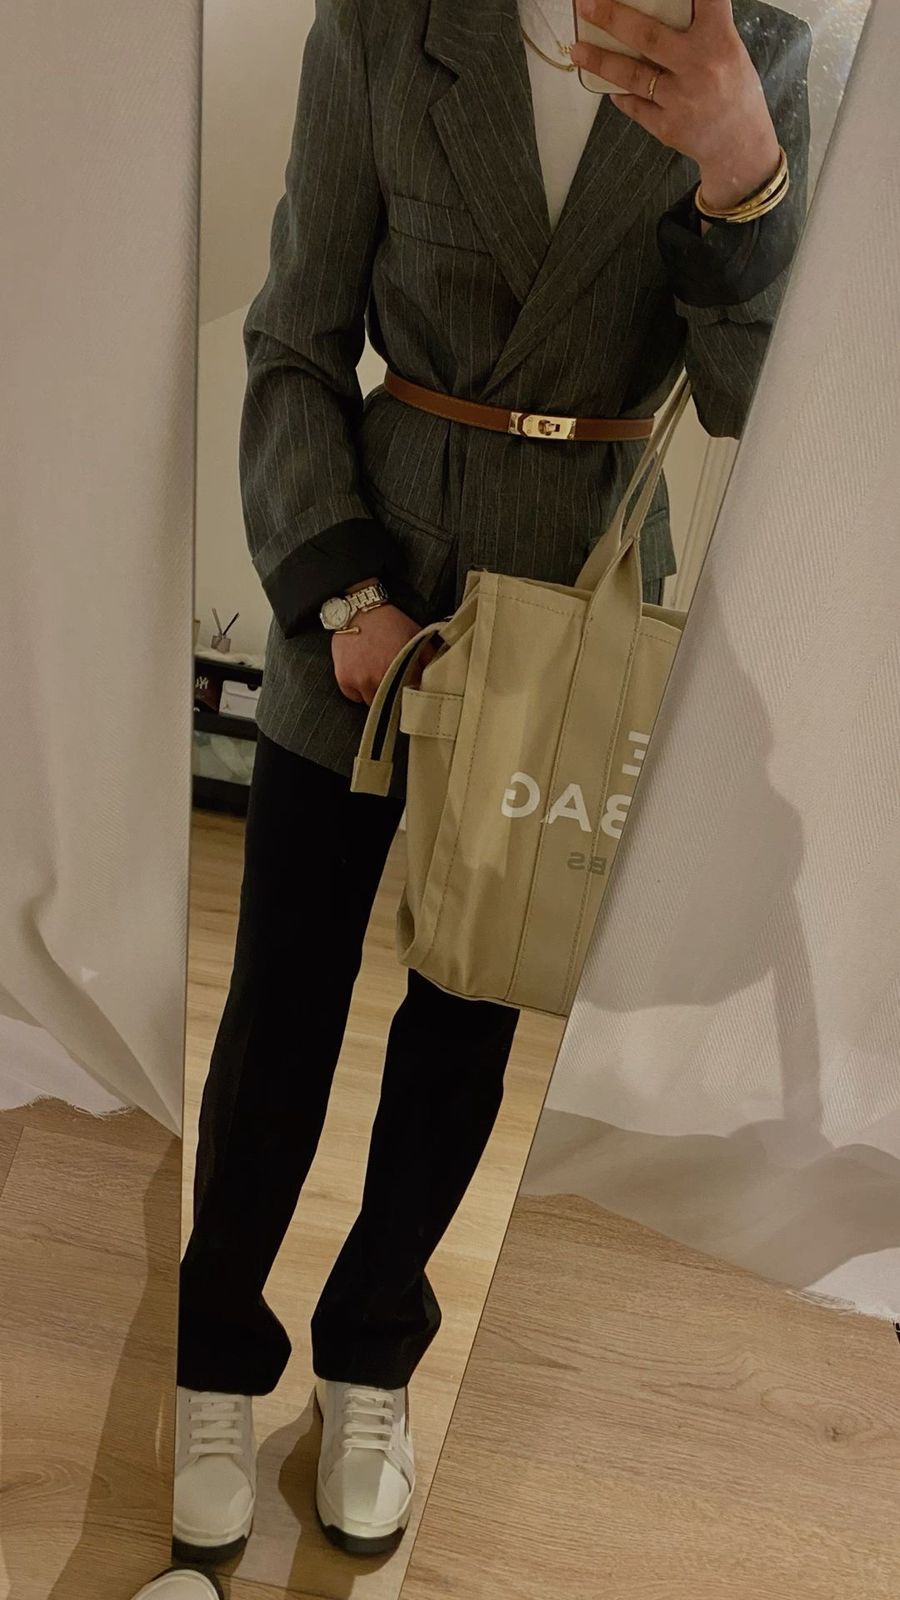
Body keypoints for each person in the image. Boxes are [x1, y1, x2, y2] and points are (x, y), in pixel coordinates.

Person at [173, 0, 811, 1563]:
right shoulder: (388, 22)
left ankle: (372, 1354)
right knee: (281, 1000)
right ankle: (214, 1351)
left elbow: (758, 404)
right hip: (364, 580)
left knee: (471, 1018)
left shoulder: (759, 54)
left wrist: (744, 170)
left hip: (568, 607)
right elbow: (295, 338)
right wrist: (341, 596)